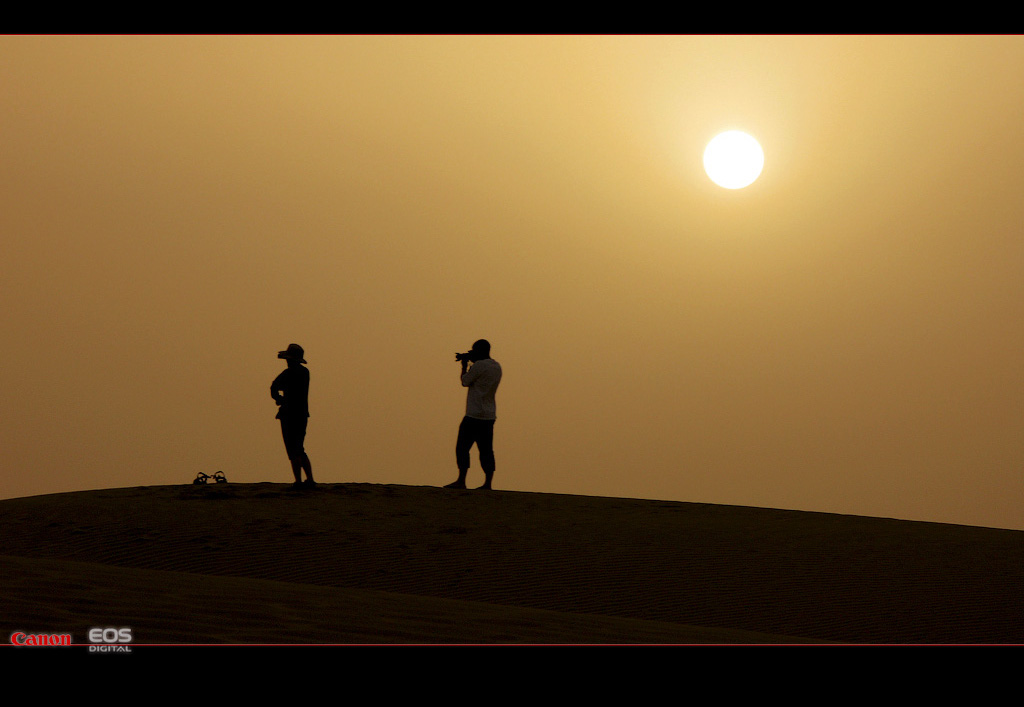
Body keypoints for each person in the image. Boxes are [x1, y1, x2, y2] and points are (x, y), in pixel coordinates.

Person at [446, 339, 502, 490]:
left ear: (480, 351)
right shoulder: (497, 367)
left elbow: (465, 381)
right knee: (486, 450)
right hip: (489, 415)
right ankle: (488, 483)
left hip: (474, 414)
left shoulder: (479, 366)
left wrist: (464, 367)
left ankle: (461, 480)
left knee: (462, 448)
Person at [271, 343, 314, 487]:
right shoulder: (305, 373)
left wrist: (279, 399)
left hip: (289, 414)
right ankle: (310, 479)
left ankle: (298, 481)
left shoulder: (288, 374)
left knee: (292, 449)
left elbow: (273, 387)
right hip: (302, 414)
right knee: (300, 448)